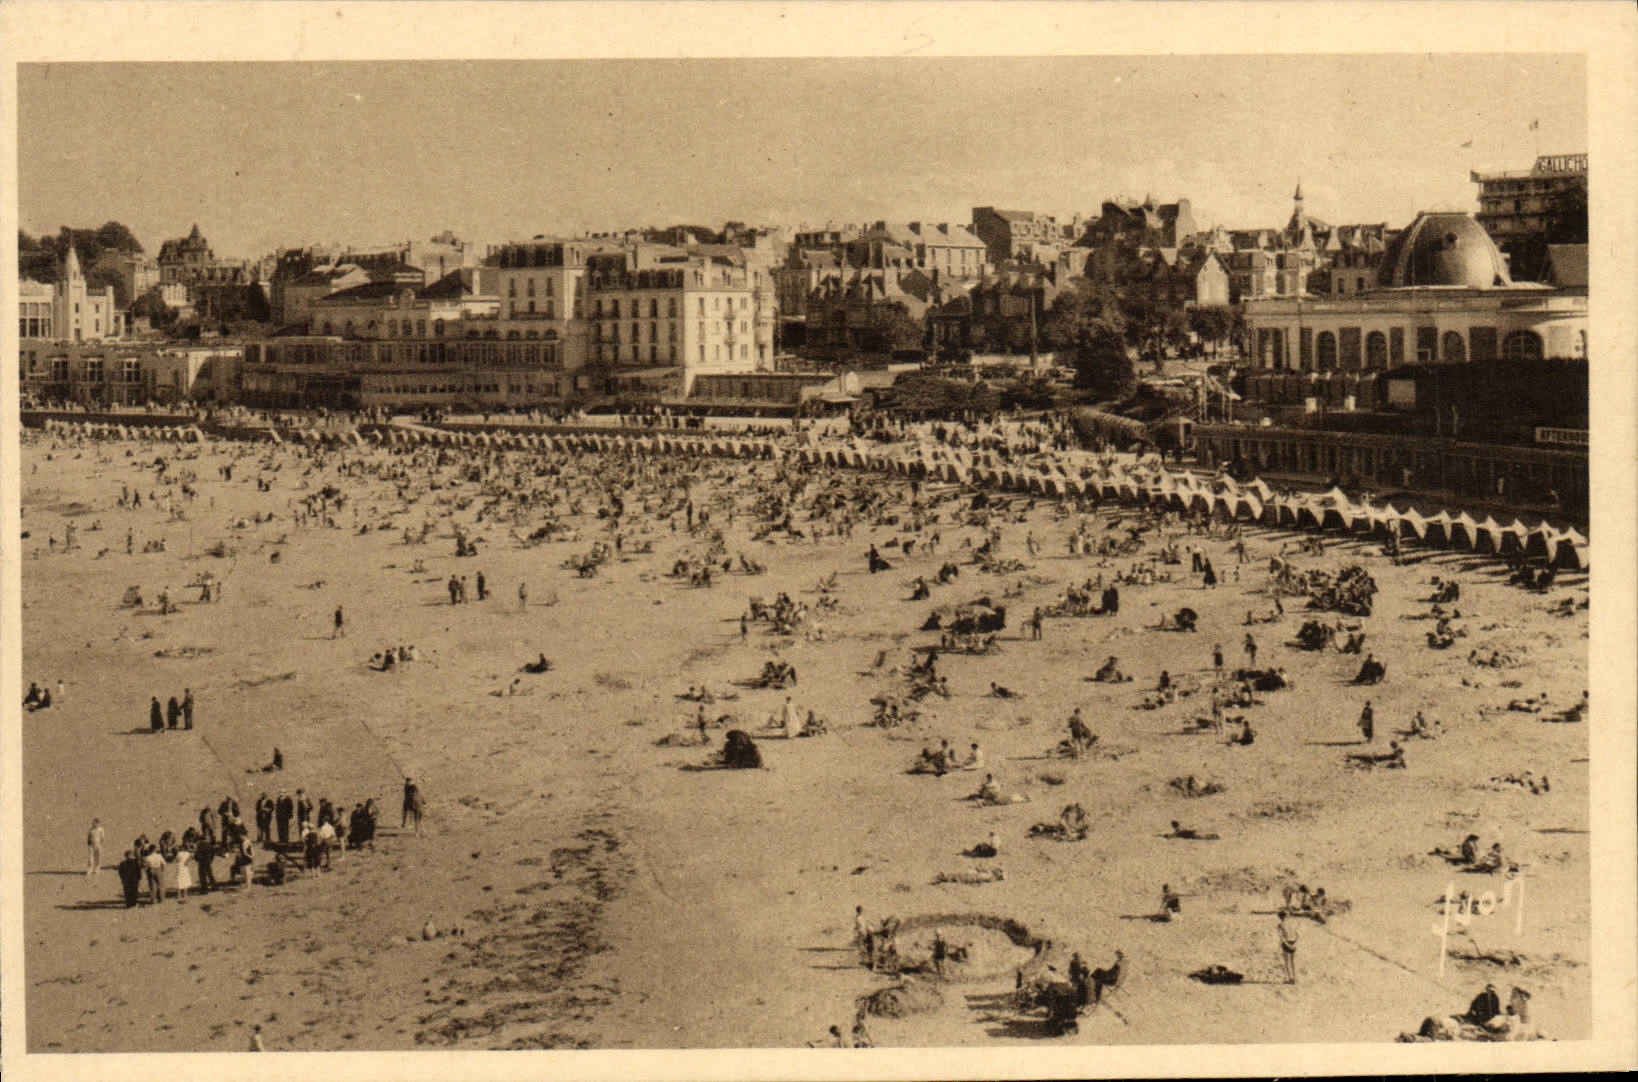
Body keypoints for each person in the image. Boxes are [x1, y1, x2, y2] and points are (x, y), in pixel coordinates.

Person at [1278, 910, 1299, 984]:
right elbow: (1297, 935)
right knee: (1293, 962)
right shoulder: (1291, 924)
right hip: (1293, 942)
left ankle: (1290, 979)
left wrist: (1288, 945)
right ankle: (1295, 978)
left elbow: (1282, 938)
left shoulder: (1280, 925)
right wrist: (1293, 944)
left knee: (1287, 962)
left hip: (1286, 943)